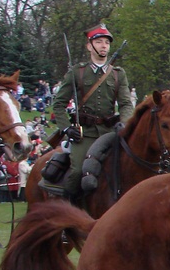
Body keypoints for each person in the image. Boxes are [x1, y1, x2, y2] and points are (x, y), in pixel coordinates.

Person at [47, 24, 134, 199]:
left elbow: (125, 103)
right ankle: (68, 213)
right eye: (99, 42)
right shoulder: (77, 72)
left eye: (107, 43)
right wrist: (66, 128)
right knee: (78, 172)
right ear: (89, 46)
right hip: (84, 134)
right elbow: (58, 104)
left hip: (109, 132)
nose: (104, 46)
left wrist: (124, 123)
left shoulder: (118, 74)